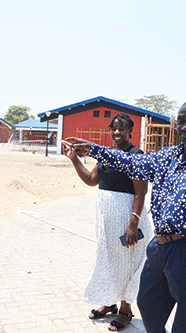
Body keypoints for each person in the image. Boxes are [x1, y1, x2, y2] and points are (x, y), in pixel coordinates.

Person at [65, 99, 186, 333]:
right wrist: (93, 149)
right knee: (147, 303)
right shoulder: (169, 157)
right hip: (158, 248)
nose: (185, 127)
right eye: (181, 121)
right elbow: (131, 161)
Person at [62, 113, 153, 331]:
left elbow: (141, 191)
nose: (117, 132)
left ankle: (125, 309)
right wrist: (74, 159)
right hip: (106, 219)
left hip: (128, 220)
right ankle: (110, 302)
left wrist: (134, 224)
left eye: (122, 129)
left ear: (131, 131)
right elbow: (92, 181)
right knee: (109, 260)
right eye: (113, 128)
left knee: (128, 264)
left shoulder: (135, 155)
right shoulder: (106, 154)